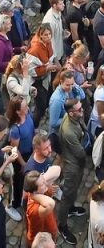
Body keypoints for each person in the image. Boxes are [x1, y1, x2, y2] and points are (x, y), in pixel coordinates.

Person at [57, 97, 89, 243]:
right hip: (72, 167)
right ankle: (62, 226)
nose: (82, 110)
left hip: (76, 164)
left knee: (73, 191)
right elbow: (81, 153)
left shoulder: (73, 117)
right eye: (79, 109)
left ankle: (71, 209)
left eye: (81, 107)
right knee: (67, 196)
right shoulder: (69, 131)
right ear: (71, 113)